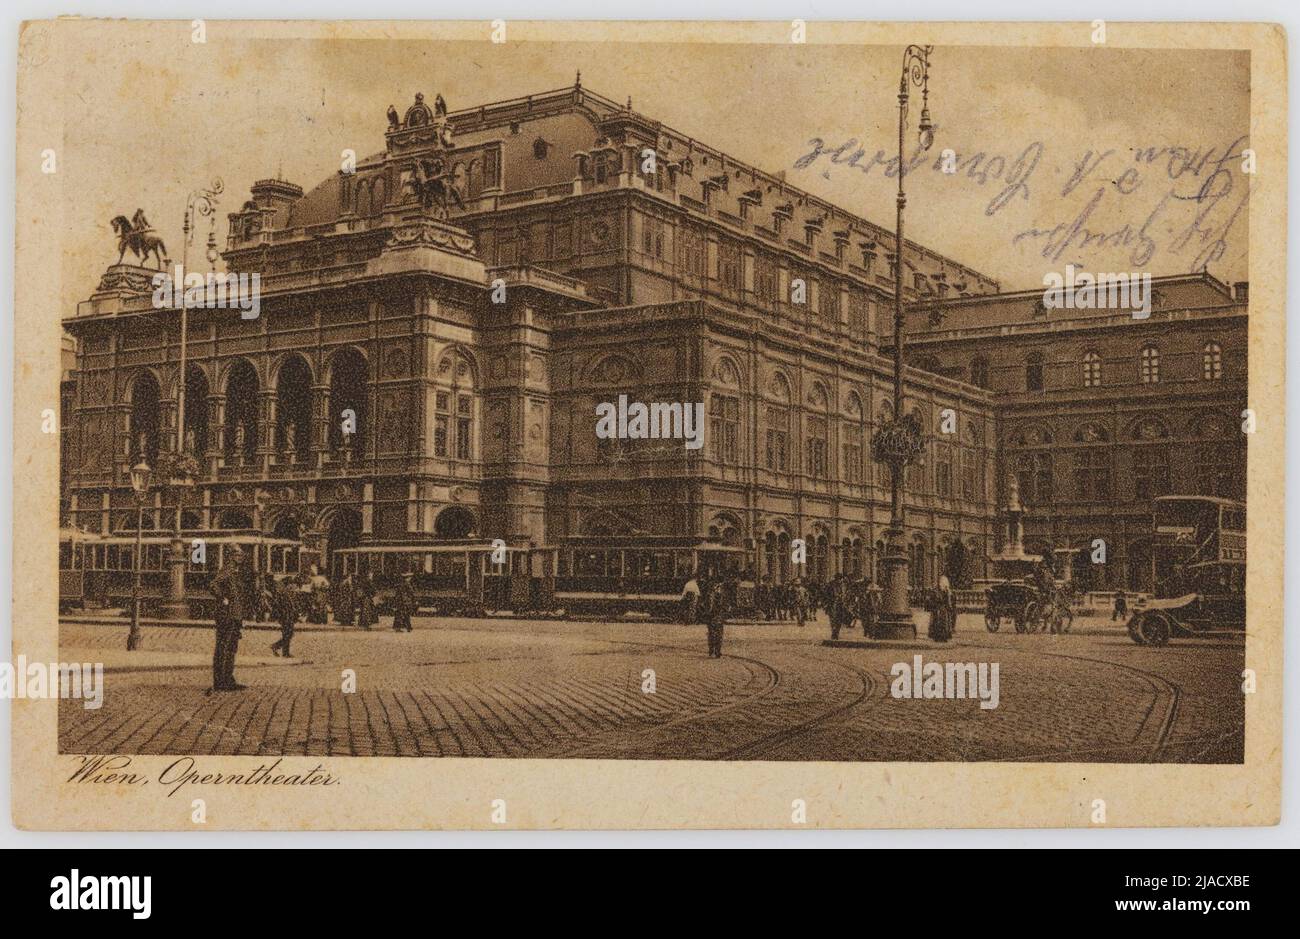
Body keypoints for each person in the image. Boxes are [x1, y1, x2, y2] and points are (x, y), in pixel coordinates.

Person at [209, 547, 250, 692]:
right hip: (227, 615)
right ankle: (221, 681)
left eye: (241, 555)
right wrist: (223, 598)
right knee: (224, 647)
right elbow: (213, 585)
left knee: (231, 648)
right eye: (237, 554)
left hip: (235, 616)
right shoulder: (227, 570)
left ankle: (228, 679)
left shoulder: (237, 572)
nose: (240, 557)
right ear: (231, 556)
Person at [270, 575, 298, 657]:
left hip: (289, 617)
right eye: (290, 584)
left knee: (288, 634)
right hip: (285, 617)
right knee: (288, 634)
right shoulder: (283, 594)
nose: (292, 586)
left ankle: (284, 652)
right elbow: (281, 607)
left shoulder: (288, 594)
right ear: (287, 585)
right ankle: (276, 647)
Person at [701, 577, 728, 658]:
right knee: (714, 634)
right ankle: (713, 651)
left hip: (717, 616)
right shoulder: (711, 594)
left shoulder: (718, 594)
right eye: (716, 585)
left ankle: (716, 651)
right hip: (713, 616)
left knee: (717, 634)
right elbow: (707, 606)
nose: (717, 587)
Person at [928, 573, 955, 642]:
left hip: (941, 610)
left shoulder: (947, 592)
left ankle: (942, 636)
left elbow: (949, 601)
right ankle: (939, 636)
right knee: (940, 622)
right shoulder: (939, 591)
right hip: (940, 609)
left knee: (942, 623)